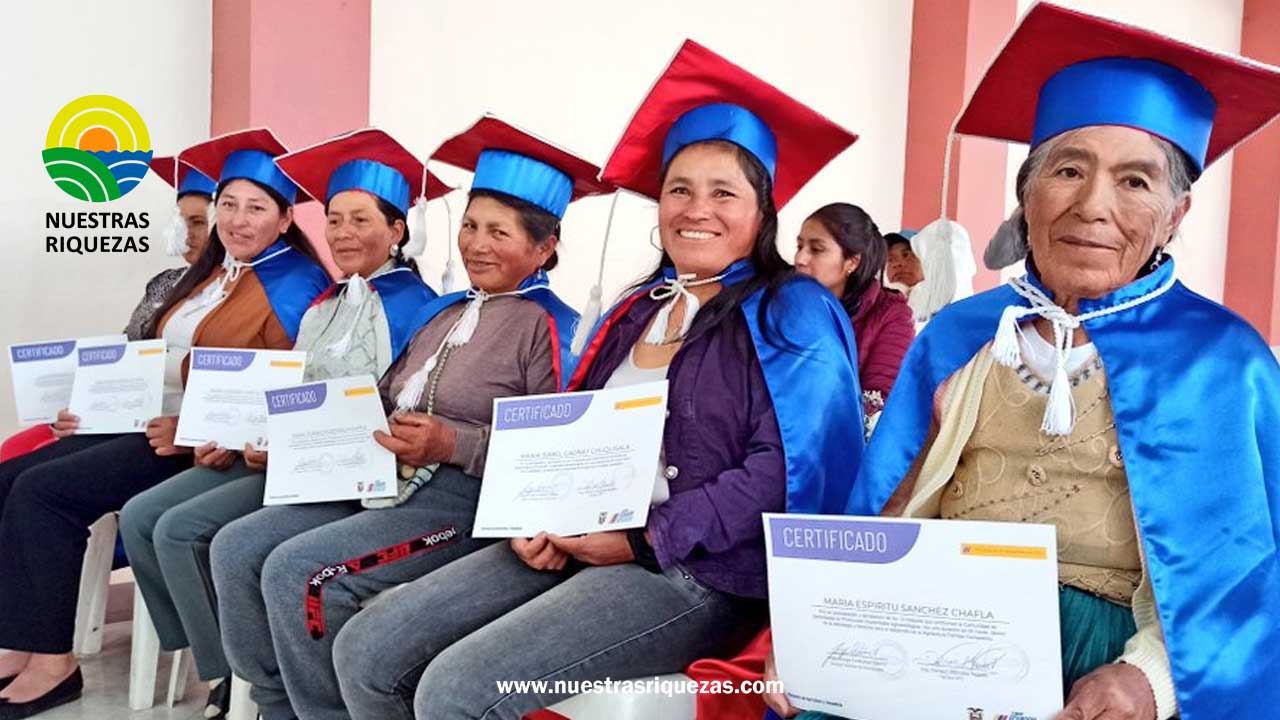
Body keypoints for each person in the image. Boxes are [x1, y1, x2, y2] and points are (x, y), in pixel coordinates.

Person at [766, 5, 1280, 720]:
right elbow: (883, 503)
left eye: (1135, 182)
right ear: (1027, 196)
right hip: (934, 633)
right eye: (1067, 170)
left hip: (1106, 655)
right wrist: (820, 625)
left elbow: (1241, 578)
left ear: (1177, 213)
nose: (1093, 207)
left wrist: (1146, 681)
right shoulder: (959, 334)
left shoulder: (1221, 360)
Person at [328, 40, 863, 720]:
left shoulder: (793, 309)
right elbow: (573, 429)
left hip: (698, 571)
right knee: (367, 650)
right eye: (679, 190)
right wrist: (536, 515)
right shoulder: (639, 308)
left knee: (458, 692)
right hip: (582, 540)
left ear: (762, 212)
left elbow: (786, 470)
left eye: (723, 192)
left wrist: (642, 539)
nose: (696, 209)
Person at [209, 115, 604, 720]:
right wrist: (292, 443)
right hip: (383, 479)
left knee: (303, 573)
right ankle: (276, 705)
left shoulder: (550, 325)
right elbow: (385, 396)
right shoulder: (444, 312)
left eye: (499, 232)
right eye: (470, 226)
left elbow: (558, 453)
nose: (476, 243)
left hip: (464, 503)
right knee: (239, 546)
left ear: (544, 247)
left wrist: (455, 444)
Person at [0, 127, 329, 719]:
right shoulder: (213, 272)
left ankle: (56, 662)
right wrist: (90, 406)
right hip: (140, 419)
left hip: (189, 442)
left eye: (256, 207)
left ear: (285, 220)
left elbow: (276, 391)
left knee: (43, 493)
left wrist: (188, 430)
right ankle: (19, 640)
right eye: (227, 204)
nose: (236, 218)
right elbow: (153, 354)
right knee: (7, 477)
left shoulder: (296, 288)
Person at [118, 128, 446, 718]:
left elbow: (394, 415)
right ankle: (261, 693)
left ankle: (285, 698)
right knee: (185, 528)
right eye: (336, 221)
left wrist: (286, 448)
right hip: (298, 467)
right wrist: (256, 438)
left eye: (361, 221)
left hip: (367, 482)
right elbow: (290, 395)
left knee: (229, 542)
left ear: (399, 231)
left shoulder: (418, 308)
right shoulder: (333, 302)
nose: (343, 234)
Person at [0, 157, 217, 462]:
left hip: (161, 426)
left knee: (29, 479)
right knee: (14, 448)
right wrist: (78, 406)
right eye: (181, 224)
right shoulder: (165, 283)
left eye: (198, 223)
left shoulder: (225, 295)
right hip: (122, 410)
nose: (187, 235)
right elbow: (127, 349)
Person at [794, 203, 913, 420]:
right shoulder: (784, 305)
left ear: (852, 261)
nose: (800, 259)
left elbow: (878, 401)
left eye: (816, 249)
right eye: (799, 246)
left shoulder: (890, 314)